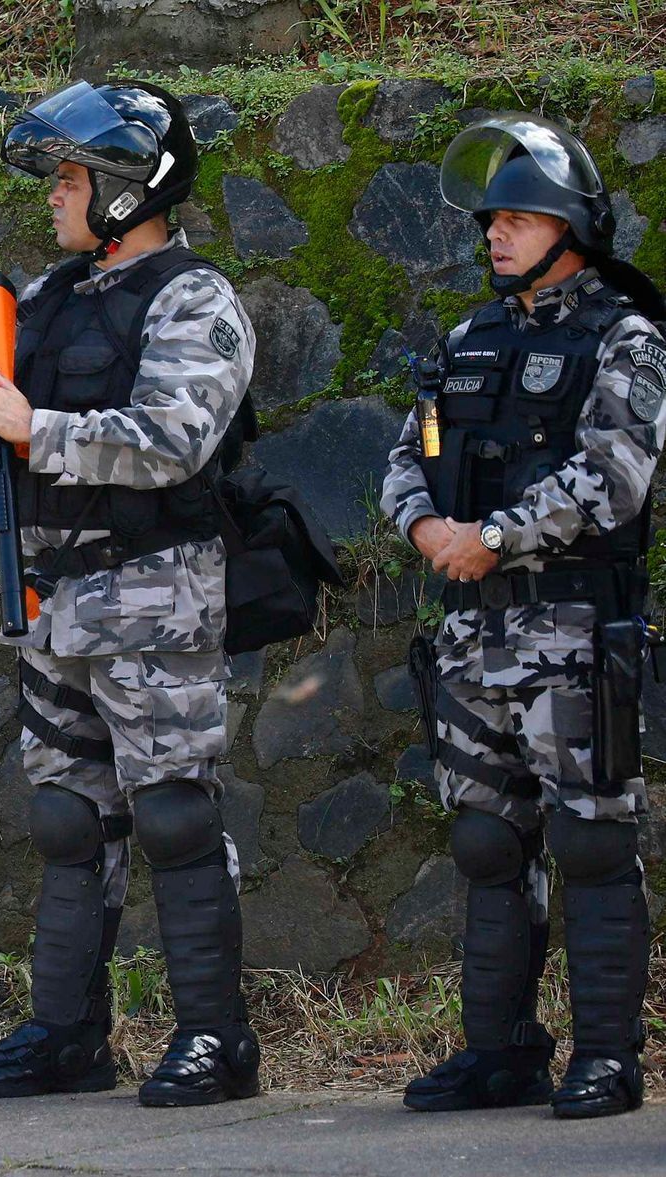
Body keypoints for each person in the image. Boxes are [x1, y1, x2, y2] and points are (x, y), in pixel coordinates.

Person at [0, 80, 262, 1107]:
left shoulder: (192, 299)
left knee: (171, 812)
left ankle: (218, 1038)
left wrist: (41, 430)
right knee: (69, 818)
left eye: (71, 177)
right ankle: (69, 1032)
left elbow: (176, 438)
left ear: (130, 188)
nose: (54, 196)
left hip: (154, 594)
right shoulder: (43, 300)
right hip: (55, 597)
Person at [382, 114, 665, 1120]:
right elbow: (404, 458)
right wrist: (429, 533)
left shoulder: (623, 338)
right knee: (486, 845)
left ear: (572, 227)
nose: (494, 234)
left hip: (578, 632)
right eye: (491, 218)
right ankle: (500, 1051)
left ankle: (607, 1055)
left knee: (590, 841)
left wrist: (494, 536)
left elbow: (617, 478)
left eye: (518, 217)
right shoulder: (466, 342)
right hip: (471, 635)